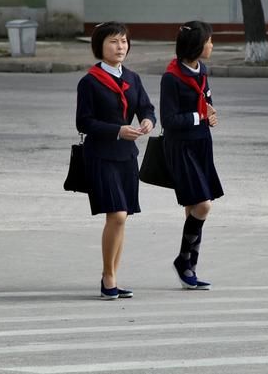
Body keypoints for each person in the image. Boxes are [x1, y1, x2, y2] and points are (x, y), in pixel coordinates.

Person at [75, 22, 156, 300]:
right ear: (99, 46)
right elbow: (83, 122)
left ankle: (112, 276)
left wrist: (147, 121)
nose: (120, 47)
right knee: (117, 214)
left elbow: (146, 107)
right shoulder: (89, 82)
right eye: (113, 42)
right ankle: (108, 276)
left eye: (123, 41)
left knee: (122, 218)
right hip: (100, 155)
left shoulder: (133, 78)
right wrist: (117, 130)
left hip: (127, 156)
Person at [160, 20, 224, 291]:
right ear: (196, 45)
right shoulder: (172, 77)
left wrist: (210, 112)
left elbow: (204, 97)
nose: (212, 45)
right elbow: (169, 119)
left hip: (201, 143)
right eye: (208, 40)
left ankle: (190, 269)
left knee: (192, 208)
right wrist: (199, 116)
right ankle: (183, 261)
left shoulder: (202, 70)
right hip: (181, 146)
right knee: (203, 205)